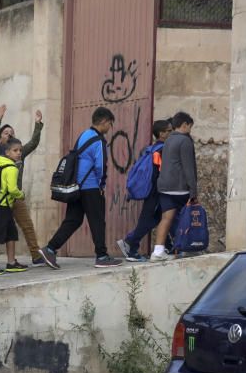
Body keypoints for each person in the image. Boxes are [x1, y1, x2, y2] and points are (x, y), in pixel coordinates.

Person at [39, 107, 123, 269]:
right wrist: (101, 185)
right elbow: (101, 167)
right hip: (91, 187)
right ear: (104, 121)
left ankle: (50, 249)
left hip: (77, 186)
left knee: (73, 220)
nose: (109, 128)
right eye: (110, 124)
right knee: (97, 221)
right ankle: (102, 256)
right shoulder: (98, 140)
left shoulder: (84, 135)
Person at [0, 105, 45, 265]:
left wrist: (38, 124)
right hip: (1, 198)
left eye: (11, 133)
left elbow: (33, 143)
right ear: (0, 138)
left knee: (27, 225)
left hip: (16, 197)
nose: (9, 135)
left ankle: (36, 255)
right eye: (6, 133)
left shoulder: (19, 152)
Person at [117, 119, 173, 262]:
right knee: (149, 218)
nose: (171, 133)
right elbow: (160, 172)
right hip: (156, 190)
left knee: (158, 218)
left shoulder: (152, 148)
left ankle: (166, 246)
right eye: (169, 130)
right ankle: (131, 244)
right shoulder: (161, 150)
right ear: (161, 134)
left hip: (153, 190)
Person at [152, 111, 198, 262]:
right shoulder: (185, 141)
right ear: (184, 125)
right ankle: (185, 248)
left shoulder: (168, 140)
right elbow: (188, 167)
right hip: (180, 187)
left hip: (164, 186)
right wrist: (193, 190)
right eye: (190, 127)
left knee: (166, 218)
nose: (190, 130)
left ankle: (158, 251)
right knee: (186, 218)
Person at [0, 139, 29, 275]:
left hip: (3, 206)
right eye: (15, 150)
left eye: (20, 150)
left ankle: (11, 262)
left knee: (11, 234)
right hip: (2, 206)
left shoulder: (1, 165)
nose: (19, 153)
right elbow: (12, 189)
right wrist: (21, 194)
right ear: (7, 153)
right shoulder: (12, 168)